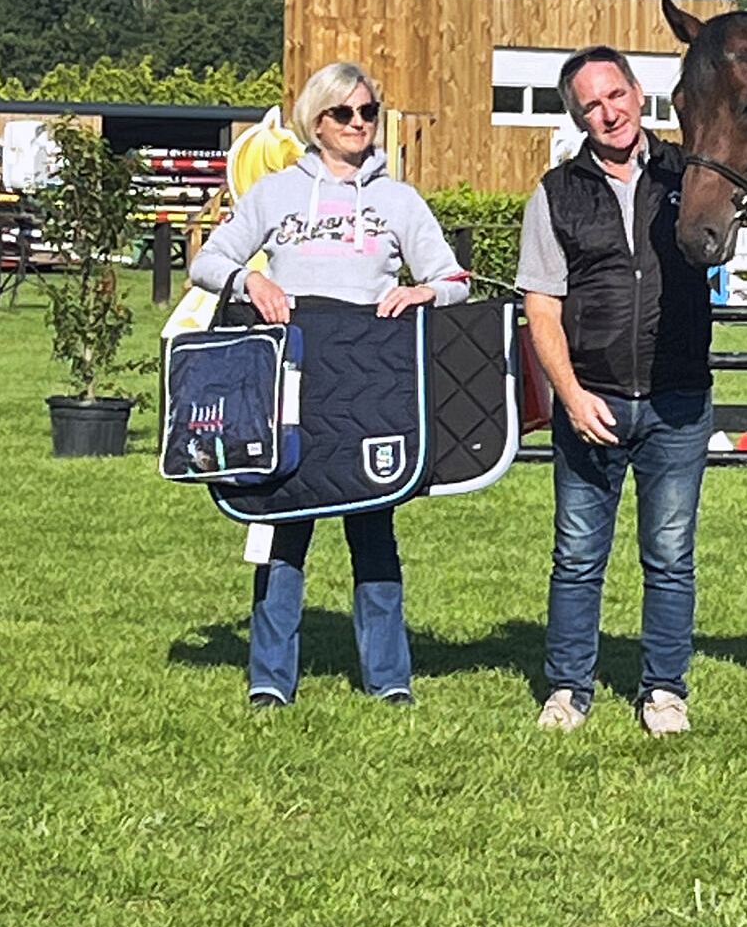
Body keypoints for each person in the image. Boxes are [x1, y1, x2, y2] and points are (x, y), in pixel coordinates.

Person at [191, 61, 471, 708]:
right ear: (315, 122)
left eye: (368, 112)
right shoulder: (275, 194)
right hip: (290, 385)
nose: (358, 123)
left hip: (370, 387)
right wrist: (250, 280)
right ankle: (270, 681)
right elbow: (208, 261)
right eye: (343, 113)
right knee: (282, 526)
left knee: (373, 531)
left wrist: (424, 291)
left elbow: (454, 280)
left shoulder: (398, 201)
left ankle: (389, 679)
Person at [515, 45, 714, 736]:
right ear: (578, 118)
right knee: (576, 558)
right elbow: (541, 307)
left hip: (677, 403)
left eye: (616, 95)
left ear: (637, 92)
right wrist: (570, 396)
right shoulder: (555, 193)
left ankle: (664, 691)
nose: (608, 113)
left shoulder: (689, 174)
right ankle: (568, 688)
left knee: (670, 556)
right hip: (591, 402)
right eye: (591, 105)